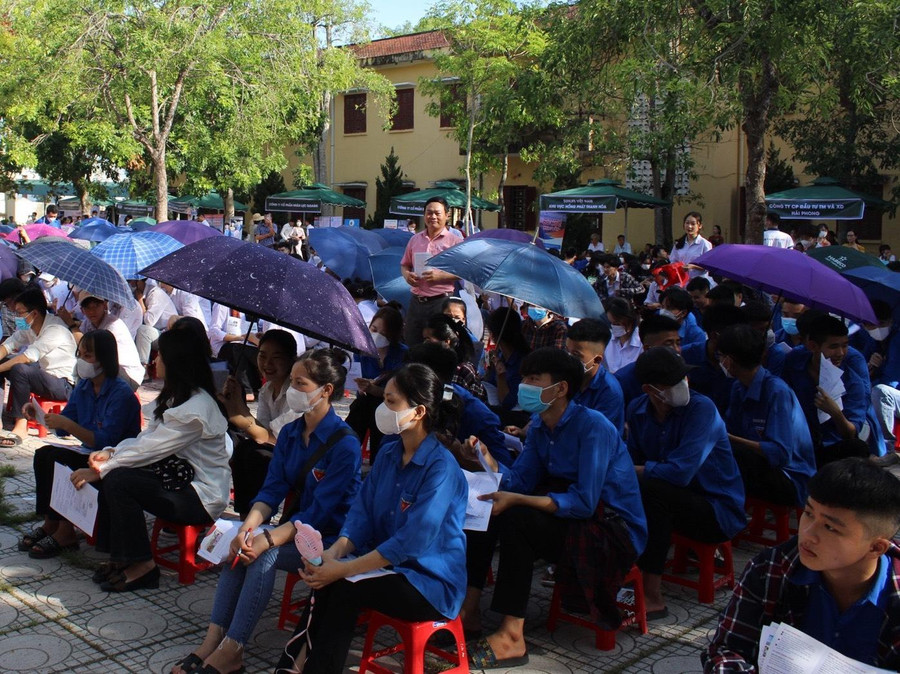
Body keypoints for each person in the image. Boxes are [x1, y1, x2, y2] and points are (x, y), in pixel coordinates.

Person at [172, 349, 361, 674]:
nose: (292, 390)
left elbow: (319, 513)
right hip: (298, 529)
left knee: (264, 554)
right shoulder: (290, 432)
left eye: (300, 384)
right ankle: (213, 639)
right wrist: (249, 527)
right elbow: (272, 490)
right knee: (242, 547)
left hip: (331, 540)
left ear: (325, 390)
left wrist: (268, 540)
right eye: (292, 382)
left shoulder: (345, 445)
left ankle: (234, 648)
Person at [277, 363, 467, 674]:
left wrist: (344, 569)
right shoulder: (390, 454)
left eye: (392, 402)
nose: (382, 408)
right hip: (387, 569)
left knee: (343, 586)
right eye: (384, 399)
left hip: (429, 583)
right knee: (328, 580)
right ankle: (293, 665)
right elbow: (361, 513)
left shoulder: (441, 468)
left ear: (418, 412)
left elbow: (412, 541)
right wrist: (333, 553)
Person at [463, 348, 647, 667]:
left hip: (612, 529)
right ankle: (470, 609)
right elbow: (519, 480)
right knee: (485, 510)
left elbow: (584, 503)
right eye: (526, 378)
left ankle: (511, 635)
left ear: (560, 388)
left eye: (535, 379)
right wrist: (487, 463)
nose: (525, 385)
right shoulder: (539, 426)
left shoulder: (594, 427)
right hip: (574, 519)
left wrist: (517, 499)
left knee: (515, 517)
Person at [703, 458, 900, 672]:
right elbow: (726, 649)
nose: (807, 534)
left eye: (830, 527)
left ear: (876, 548)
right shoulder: (771, 569)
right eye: (808, 514)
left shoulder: (894, 596)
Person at [74, 328, 230, 592]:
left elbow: (152, 449)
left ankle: (143, 565)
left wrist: (104, 468)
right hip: (177, 480)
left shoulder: (196, 408)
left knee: (119, 480)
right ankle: (122, 557)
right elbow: (147, 439)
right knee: (117, 475)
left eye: (161, 357)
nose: (154, 361)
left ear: (176, 362)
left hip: (201, 496)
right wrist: (111, 452)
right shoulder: (176, 397)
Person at [628, 347, 745, 618]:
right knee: (631, 492)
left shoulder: (701, 409)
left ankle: (652, 593)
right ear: (650, 389)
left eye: (684, 379)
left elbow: (680, 473)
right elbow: (632, 459)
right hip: (672, 502)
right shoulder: (637, 410)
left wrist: (634, 470)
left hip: (715, 509)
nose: (683, 386)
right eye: (673, 383)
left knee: (652, 491)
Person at [19, 330, 141, 558]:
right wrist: (36, 414)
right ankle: (50, 522)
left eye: (88, 355)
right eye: (80, 354)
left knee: (62, 460)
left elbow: (107, 441)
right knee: (44, 454)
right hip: (89, 451)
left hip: (114, 457)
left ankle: (67, 531)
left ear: (104, 359)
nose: (82, 360)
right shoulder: (83, 387)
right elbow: (64, 425)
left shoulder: (120, 393)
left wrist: (70, 425)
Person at [719, 324, 816, 506]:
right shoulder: (738, 387)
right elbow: (731, 428)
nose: (721, 361)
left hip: (789, 478)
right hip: (759, 466)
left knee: (730, 455)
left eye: (721, 357)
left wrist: (729, 439)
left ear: (730, 360)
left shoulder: (777, 392)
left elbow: (780, 453)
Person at [220, 330, 298, 518]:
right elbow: (260, 428)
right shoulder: (266, 389)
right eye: (262, 356)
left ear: (291, 360)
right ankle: (245, 513)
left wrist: (237, 411)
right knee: (240, 446)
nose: (267, 364)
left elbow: (268, 438)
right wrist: (237, 401)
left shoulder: (295, 393)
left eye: (276, 358)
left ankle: (259, 515)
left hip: (295, 453)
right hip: (274, 444)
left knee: (256, 455)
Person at [780, 314, 871, 466]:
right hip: (794, 442)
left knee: (857, 448)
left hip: (830, 448)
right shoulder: (794, 361)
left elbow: (850, 432)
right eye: (833, 346)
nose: (841, 353)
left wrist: (835, 412)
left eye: (845, 345)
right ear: (812, 346)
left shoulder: (852, 382)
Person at [0, 287, 76, 445]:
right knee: (4, 362)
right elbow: (8, 345)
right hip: (42, 375)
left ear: (33, 313)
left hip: (62, 385)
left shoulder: (55, 329)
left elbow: (27, 357)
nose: (17, 317)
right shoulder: (29, 328)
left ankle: (21, 425)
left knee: (19, 369)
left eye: (20, 313)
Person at [345, 306, 407, 461]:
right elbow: (357, 378)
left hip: (390, 406)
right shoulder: (362, 350)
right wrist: (363, 387)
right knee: (355, 420)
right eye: (374, 329)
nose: (377, 335)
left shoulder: (403, 354)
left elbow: (402, 390)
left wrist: (376, 390)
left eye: (384, 334)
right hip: (365, 402)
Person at [399, 197, 461, 346]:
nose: (432, 216)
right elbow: (404, 265)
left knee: (438, 346)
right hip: (416, 301)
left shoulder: (455, 242)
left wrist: (441, 276)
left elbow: (464, 271)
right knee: (412, 343)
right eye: (429, 213)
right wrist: (407, 275)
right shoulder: (414, 240)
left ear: (447, 215)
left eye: (437, 213)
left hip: (441, 302)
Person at [681, 304, 748, 415]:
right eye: (735, 336)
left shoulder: (744, 361)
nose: (740, 340)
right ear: (714, 335)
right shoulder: (685, 357)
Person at [69, 292, 144, 390]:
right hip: (107, 369)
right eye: (88, 307)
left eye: (96, 306)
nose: (92, 311)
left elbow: (85, 345)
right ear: (82, 310)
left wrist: (71, 324)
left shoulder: (113, 325)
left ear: (104, 305)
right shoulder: (88, 322)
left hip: (127, 374)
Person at [566, 319, 625, 434]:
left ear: (597, 360)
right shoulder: (564, 377)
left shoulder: (609, 391)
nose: (568, 358)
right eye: (567, 351)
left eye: (575, 355)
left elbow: (594, 434)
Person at [483, 307, 531, 427]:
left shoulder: (523, 363)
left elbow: (507, 402)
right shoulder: (500, 357)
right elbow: (488, 383)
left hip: (514, 420)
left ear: (494, 335)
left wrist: (501, 377)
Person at [423, 313, 485, 400]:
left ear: (446, 342)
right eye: (424, 339)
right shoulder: (427, 366)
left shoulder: (464, 371)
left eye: (428, 339)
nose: (424, 344)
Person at [130, 279, 178, 371]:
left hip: (167, 335)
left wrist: (140, 301)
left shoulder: (156, 294)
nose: (131, 284)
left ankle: (143, 370)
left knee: (143, 331)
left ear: (140, 281)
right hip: (158, 332)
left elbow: (149, 321)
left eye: (133, 281)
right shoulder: (143, 294)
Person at [604, 298, 642, 373]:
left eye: (617, 323)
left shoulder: (642, 343)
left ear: (629, 321)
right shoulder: (607, 339)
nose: (614, 327)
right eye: (611, 323)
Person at [669, 212, 711, 279]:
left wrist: (692, 266)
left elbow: (708, 266)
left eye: (693, 224)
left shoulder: (704, 244)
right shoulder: (678, 243)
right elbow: (673, 261)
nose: (689, 226)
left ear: (699, 226)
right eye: (687, 223)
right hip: (681, 281)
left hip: (698, 282)